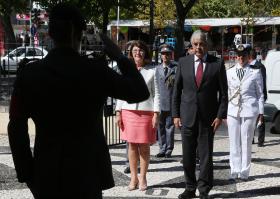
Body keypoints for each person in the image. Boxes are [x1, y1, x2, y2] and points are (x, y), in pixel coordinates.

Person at [8, 3, 149, 199]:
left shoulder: (30, 74)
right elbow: (140, 92)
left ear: (50, 33)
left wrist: (27, 174)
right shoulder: (95, 71)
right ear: (77, 32)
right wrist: (119, 56)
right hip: (87, 172)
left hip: (47, 170)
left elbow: (16, 127)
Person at [172, 30, 228, 199]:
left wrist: (220, 115)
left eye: (201, 44)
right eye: (195, 44)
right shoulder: (183, 62)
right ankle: (190, 187)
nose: (198, 47)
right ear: (192, 45)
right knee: (187, 156)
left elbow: (224, 94)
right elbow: (176, 91)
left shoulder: (217, 64)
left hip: (208, 119)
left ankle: (204, 190)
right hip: (187, 117)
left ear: (207, 45)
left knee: (205, 157)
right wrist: (175, 114)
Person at [115, 40, 160, 191]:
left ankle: (143, 177)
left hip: (146, 113)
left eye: (140, 50)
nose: (137, 53)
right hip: (129, 112)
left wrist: (156, 113)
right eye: (135, 51)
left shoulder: (152, 72)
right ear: (131, 53)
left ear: (145, 53)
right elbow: (121, 92)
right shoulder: (126, 72)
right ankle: (133, 177)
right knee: (132, 147)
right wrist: (118, 112)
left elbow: (157, 94)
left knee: (145, 147)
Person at [226, 45, 264, 181]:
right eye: (238, 56)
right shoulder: (229, 72)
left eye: (243, 56)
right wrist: (224, 111)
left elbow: (260, 94)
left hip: (249, 110)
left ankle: (244, 172)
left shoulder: (255, 72)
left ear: (248, 56)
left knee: (246, 141)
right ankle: (234, 170)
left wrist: (261, 113)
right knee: (234, 142)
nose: (240, 58)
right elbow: (226, 93)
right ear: (235, 57)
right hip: (233, 110)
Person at [155, 44, 177, 158]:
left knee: (170, 127)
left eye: (167, 54)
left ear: (171, 55)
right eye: (163, 54)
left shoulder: (175, 68)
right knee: (160, 127)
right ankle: (162, 148)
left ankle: (169, 149)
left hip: (171, 102)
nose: (165, 56)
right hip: (160, 103)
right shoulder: (157, 69)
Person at [248, 49, 267, 147]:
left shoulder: (260, 66)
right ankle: (251, 138)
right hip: (252, 96)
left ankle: (260, 140)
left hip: (259, 96)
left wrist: (261, 97)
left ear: (250, 57)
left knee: (260, 117)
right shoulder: (250, 66)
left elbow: (262, 84)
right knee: (251, 117)